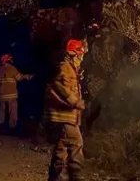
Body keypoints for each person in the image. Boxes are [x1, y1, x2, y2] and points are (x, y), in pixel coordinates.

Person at [45, 38, 87, 181]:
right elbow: (59, 84)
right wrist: (74, 101)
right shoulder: (65, 68)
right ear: (75, 54)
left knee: (61, 148)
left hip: (64, 116)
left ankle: (56, 178)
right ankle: (76, 176)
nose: (82, 57)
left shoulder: (70, 68)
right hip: (65, 115)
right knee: (76, 143)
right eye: (81, 54)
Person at [0, 53, 33, 130]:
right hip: (11, 94)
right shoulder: (11, 68)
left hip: (1, 95)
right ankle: (13, 127)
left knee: (2, 110)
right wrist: (28, 76)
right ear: (8, 60)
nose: (12, 60)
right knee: (12, 110)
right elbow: (19, 77)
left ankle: (0, 125)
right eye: (11, 59)